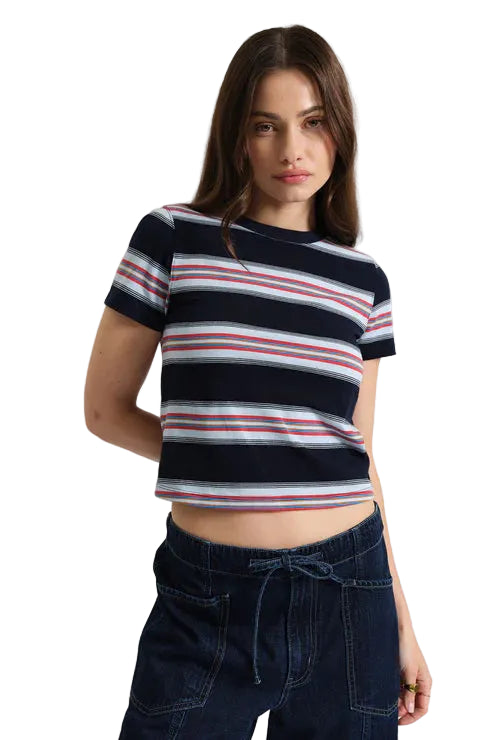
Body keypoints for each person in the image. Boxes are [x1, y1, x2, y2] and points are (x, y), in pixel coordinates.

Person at [85, 24, 432, 739]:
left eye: (312, 123)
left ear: (340, 132)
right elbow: (104, 410)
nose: (291, 150)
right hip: (205, 596)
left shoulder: (363, 280)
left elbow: (359, 455)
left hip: (350, 589)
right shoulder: (173, 237)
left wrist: (402, 620)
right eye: (264, 126)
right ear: (236, 138)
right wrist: (226, 455)